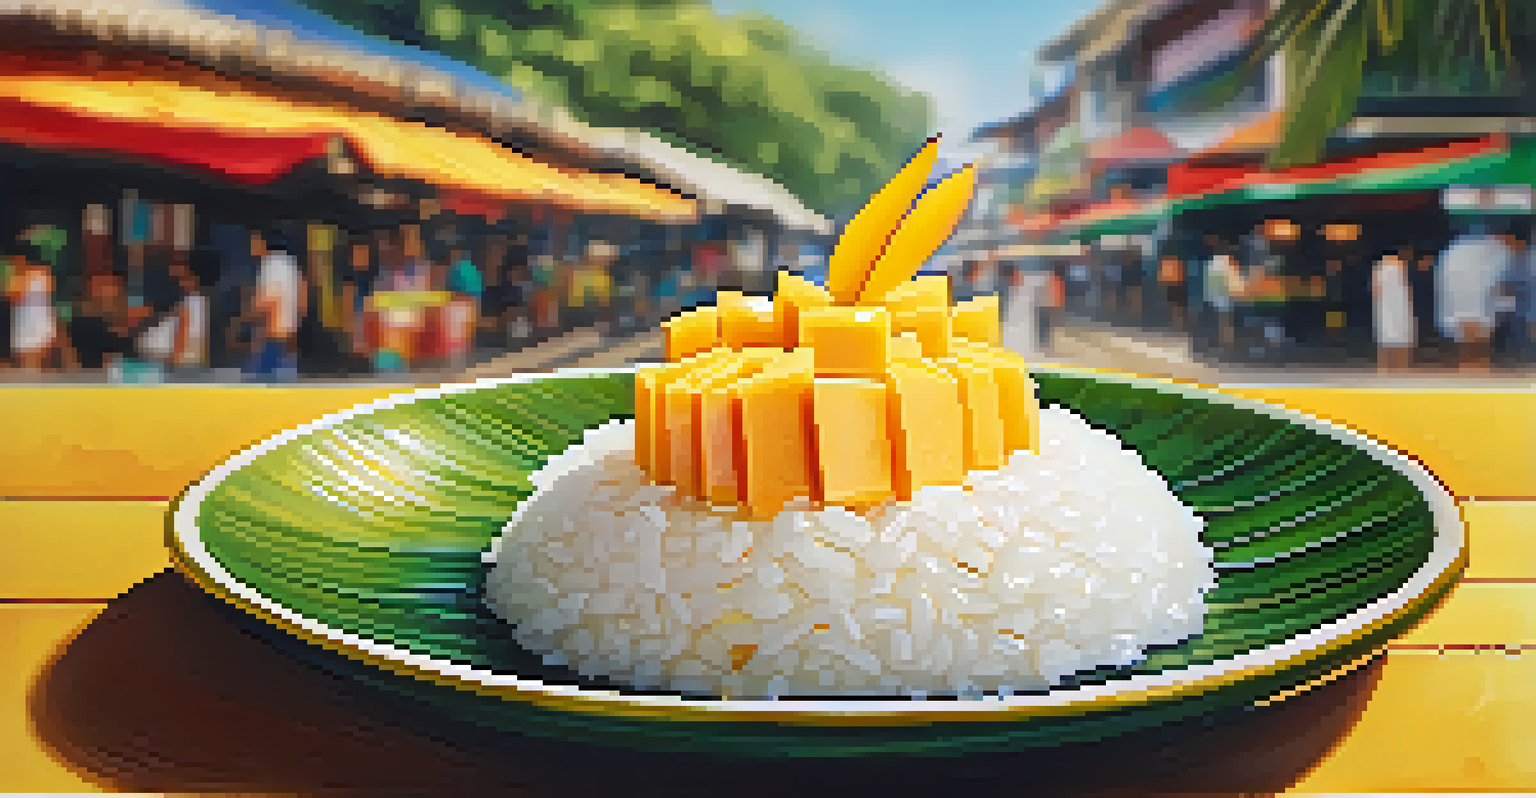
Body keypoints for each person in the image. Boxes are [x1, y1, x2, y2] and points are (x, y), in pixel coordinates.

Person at [1437, 226, 1507, 373]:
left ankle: (1473, 370)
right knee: (1472, 346)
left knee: (1474, 346)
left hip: (1471, 309)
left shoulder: (1456, 254)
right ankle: (1471, 370)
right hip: (1470, 309)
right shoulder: (1466, 256)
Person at [249, 230, 304, 381]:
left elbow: (270, 300)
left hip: (273, 331)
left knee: (266, 379)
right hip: (287, 330)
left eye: (253, 243)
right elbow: (300, 295)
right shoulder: (288, 262)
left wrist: (262, 331)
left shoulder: (270, 264)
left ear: (262, 243)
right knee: (285, 375)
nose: (251, 248)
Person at [7, 246, 63, 372]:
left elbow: (13, 296)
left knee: (31, 365)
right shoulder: (45, 272)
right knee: (40, 364)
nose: (14, 263)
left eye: (14, 260)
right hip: (40, 324)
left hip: (31, 326)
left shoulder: (24, 275)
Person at [1372, 243, 1416, 373]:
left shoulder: (1379, 268)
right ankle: (1402, 369)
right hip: (1399, 307)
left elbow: (1376, 290)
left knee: (1386, 338)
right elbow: (1408, 290)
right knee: (1401, 338)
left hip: (1386, 307)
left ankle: (1384, 370)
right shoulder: (1400, 266)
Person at [1204, 238, 1244, 354]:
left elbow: (1210, 280)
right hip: (1225, 295)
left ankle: (1224, 342)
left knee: (1222, 321)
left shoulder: (1215, 261)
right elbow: (1234, 278)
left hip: (1218, 296)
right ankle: (1226, 343)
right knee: (1226, 321)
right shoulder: (1227, 262)